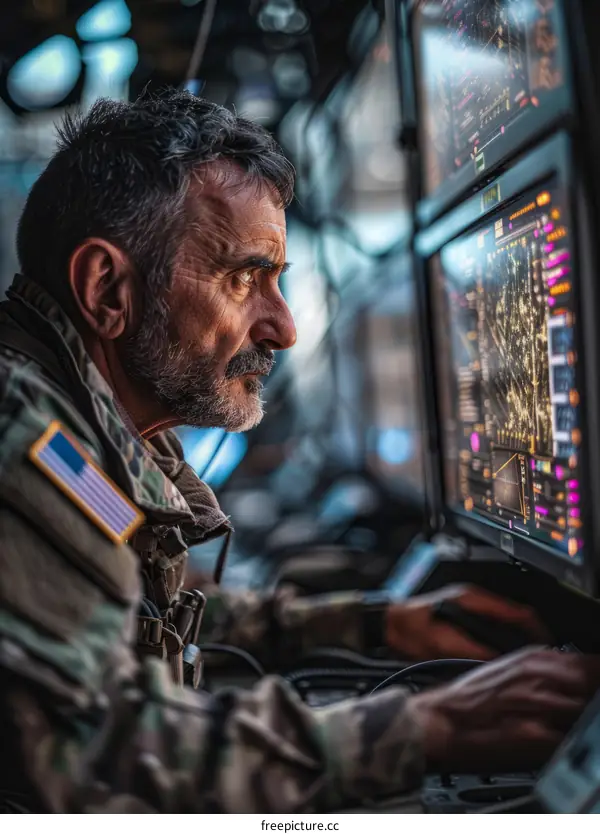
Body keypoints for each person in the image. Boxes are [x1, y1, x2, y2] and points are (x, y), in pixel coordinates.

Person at [0, 89, 598, 814]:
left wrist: (367, 624)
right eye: (244, 279)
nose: (283, 328)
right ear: (107, 290)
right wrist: (426, 725)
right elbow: (86, 756)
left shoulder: (77, 440)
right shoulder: (24, 442)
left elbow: (115, 616)